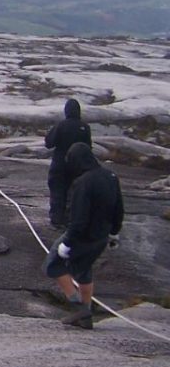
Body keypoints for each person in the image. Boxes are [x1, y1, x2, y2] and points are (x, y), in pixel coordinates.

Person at [44, 142, 123, 330]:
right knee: (84, 271)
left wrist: (68, 242)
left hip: (82, 237)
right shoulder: (111, 176)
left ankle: (79, 307)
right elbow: (119, 207)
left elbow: (78, 218)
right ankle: (86, 319)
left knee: (52, 266)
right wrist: (114, 232)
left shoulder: (83, 182)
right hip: (101, 236)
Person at [45, 98, 92, 229]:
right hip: (77, 166)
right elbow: (88, 147)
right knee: (73, 192)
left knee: (57, 190)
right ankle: (70, 219)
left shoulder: (61, 125)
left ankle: (56, 220)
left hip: (60, 164)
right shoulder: (85, 127)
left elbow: (49, 143)